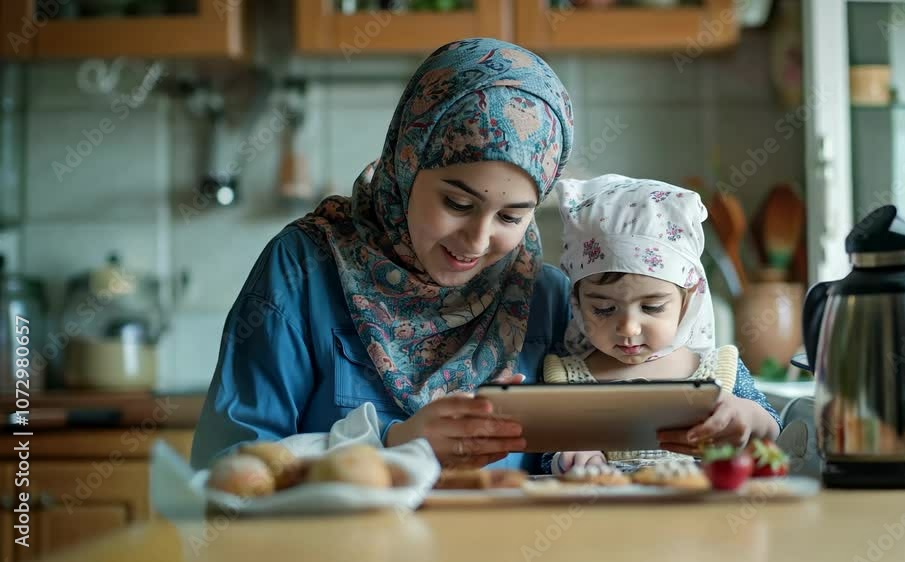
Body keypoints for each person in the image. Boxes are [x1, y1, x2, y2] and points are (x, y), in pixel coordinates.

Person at [190, 37, 575, 472]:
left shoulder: (546, 298)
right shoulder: (303, 269)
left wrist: (637, 444)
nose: (476, 241)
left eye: (510, 217)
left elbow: (587, 471)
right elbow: (226, 470)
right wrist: (389, 444)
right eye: (458, 205)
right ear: (406, 166)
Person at [543, 174, 781, 475]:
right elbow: (543, 451)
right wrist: (570, 454)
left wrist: (748, 415)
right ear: (576, 302)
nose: (629, 327)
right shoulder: (565, 378)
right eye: (603, 309)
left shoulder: (718, 370)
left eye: (651, 307)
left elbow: (773, 428)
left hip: (703, 520)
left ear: (689, 299)